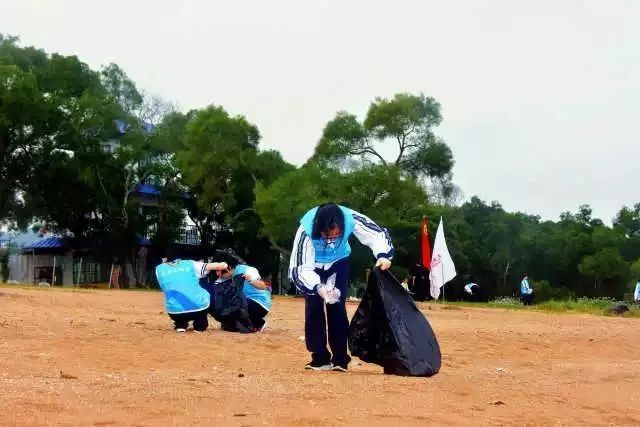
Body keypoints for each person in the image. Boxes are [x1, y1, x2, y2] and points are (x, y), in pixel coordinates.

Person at [289, 202, 394, 372]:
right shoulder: (305, 231)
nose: (331, 239)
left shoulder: (350, 218)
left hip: (339, 262)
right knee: (314, 307)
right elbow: (300, 267)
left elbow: (376, 234)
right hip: (313, 265)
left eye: (336, 235)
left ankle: (340, 357)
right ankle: (320, 356)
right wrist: (317, 287)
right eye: (327, 235)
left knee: (337, 306)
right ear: (319, 229)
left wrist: (382, 255)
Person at [155, 250, 228, 333]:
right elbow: (219, 266)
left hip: (174, 312)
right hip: (197, 309)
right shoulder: (190, 264)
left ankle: (180, 325)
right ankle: (199, 326)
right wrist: (224, 263)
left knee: (176, 297)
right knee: (206, 292)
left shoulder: (159, 269)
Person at [213, 256, 271, 332]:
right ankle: (247, 323)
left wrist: (251, 280)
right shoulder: (223, 277)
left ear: (229, 268)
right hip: (242, 302)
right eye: (216, 271)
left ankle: (258, 323)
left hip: (259, 303)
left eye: (219, 271)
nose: (218, 274)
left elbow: (263, 286)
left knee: (233, 307)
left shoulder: (248, 270)